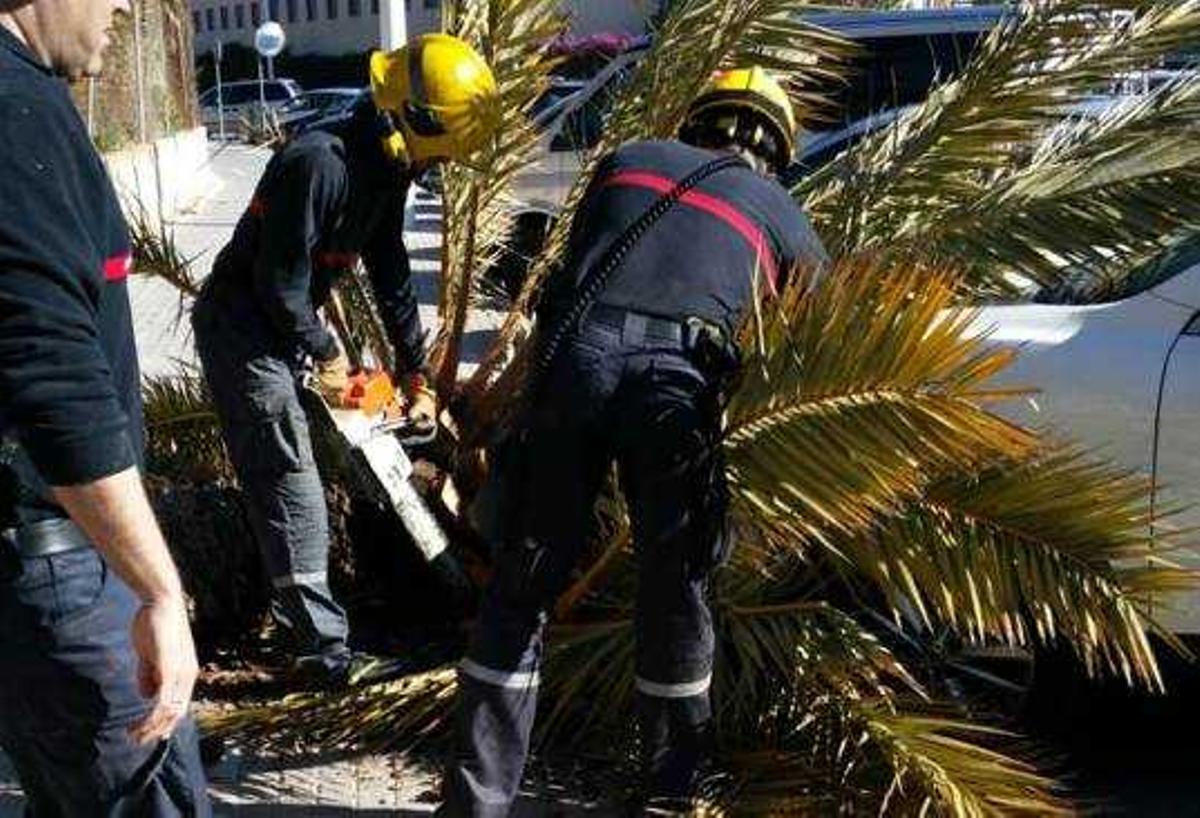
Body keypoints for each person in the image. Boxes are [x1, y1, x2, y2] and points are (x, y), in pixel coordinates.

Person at [441, 67, 828, 815]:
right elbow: (819, 329)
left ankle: (476, 802)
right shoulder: (778, 210)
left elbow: (572, 273)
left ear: (697, 123)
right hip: (675, 387)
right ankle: (669, 798)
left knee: (522, 589)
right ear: (775, 149)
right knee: (675, 592)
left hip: (576, 366)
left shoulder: (628, 159)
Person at [192, 33, 498, 689]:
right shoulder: (320, 163)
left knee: (343, 468)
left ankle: (396, 600)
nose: (435, 167)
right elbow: (279, 283)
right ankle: (323, 654)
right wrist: (329, 355)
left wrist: (414, 373)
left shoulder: (385, 172)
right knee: (291, 479)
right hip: (242, 331)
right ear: (413, 119)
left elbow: (389, 272)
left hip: (285, 329)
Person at [0, 2, 210, 814]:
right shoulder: (17, 117)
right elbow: (52, 379)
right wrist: (158, 591)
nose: (126, 5)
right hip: (58, 563)